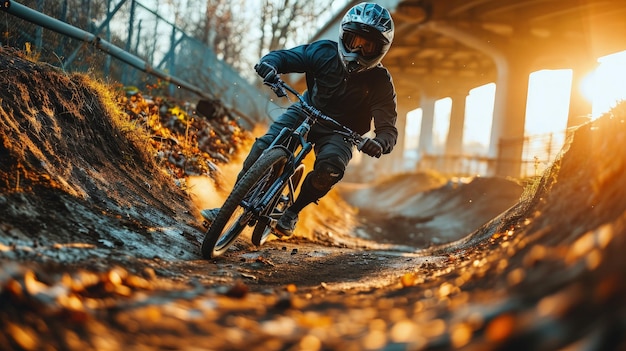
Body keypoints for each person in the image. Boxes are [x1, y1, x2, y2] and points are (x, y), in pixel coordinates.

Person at [202, 2, 398, 237]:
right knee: (264, 146)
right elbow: (285, 57)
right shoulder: (323, 51)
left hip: (343, 132)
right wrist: (270, 64)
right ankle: (228, 207)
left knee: (330, 169)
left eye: (367, 46)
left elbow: (388, 128)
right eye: (353, 41)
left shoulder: (381, 82)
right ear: (343, 36)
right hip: (306, 110)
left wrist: (379, 142)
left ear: (380, 50)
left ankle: (292, 211)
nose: (357, 50)